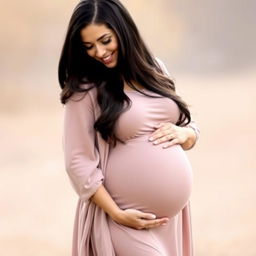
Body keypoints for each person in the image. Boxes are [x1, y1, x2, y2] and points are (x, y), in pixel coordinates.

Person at [58, 0, 200, 255]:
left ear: (122, 31)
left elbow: (187, 127)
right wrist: (117, 214)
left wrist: (187, 134)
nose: (99, 52)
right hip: (122, 220)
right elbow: (77, 161)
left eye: (105, 40)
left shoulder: (154, 69)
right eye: (88, 46)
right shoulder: (85, 89)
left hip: (170, 222)